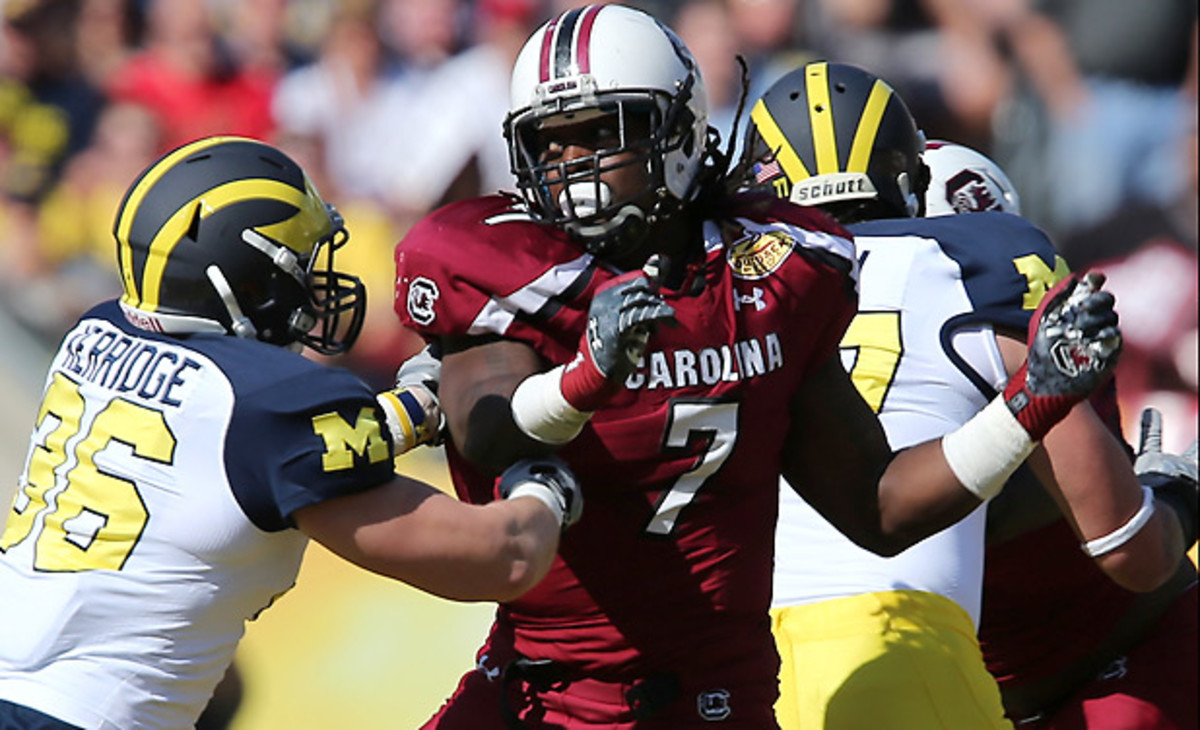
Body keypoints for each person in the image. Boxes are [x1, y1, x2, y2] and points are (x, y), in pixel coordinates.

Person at [390, 6, 1122, 727]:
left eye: (600, 135)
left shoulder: (776, 275)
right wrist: (587, 378)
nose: (571, 164)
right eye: (550, 144)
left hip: (710, 697)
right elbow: (490, 427)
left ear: (676, 129)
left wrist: (1028, 405)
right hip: (540, 692)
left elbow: (881, 505)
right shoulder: (506, 265)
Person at [0, 136, 581, 730]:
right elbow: (503, 558)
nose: (312, 287)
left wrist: (420, 404)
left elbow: (248, 439)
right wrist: (545, 481)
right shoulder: (269, 405)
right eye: (297, 267)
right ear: (242, 280)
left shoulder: (95, 333)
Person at [735, 65, 1194, 729]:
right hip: (932, 655)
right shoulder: (983, 267)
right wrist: (1177, 494)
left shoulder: (725, 297)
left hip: (758, 671)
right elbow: (1129, 543)